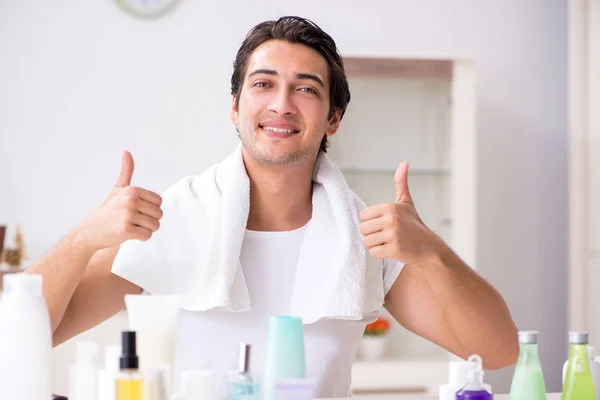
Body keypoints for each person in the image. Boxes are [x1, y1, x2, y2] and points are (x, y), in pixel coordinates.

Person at [26, 16, 518, 398]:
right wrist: (85, 237)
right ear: (235, 108)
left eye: (306, 89)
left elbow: (497, 351)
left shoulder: (363, 238)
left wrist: (433, 251)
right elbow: (25, 337)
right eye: (263, 84)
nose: (282, 104)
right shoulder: (177, 222)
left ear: (333, 120)